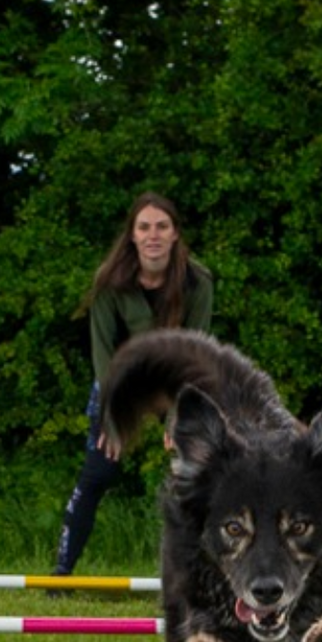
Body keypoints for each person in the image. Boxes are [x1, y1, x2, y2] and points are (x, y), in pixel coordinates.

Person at [52, 193, 214, 575]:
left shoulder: (198, 281)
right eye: (144, 227)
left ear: (175, 234)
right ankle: (60, 571)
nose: (153, 235)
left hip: (178, 379)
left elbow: (196, 352)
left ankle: (202, 571)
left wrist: (179, 415)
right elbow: (103, 355)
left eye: (161, 227)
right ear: (133, 236)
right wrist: (112, 413)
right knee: (99, 472)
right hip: (120, 380)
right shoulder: (110, 282)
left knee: (202, 470)